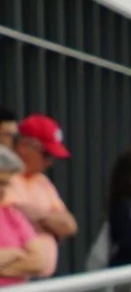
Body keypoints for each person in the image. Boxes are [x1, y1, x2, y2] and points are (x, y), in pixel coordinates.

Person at [6, 114, 77, 277]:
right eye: (46, 154)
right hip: (14, 276)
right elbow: (12, 214)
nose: (50, 162)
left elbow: (69, 225)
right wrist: (49, 221)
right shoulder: (7, 178)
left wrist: (37, 217)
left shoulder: (42, 181)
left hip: (42, 278)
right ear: (25, 146)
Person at [0, 146, 50, 286]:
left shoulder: (10, 214)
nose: (4, 190)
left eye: (7, 183)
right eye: (0, 183)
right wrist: (15, 253)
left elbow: (40, 262)